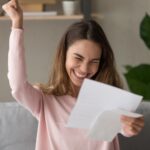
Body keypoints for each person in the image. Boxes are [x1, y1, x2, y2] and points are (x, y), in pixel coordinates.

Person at [2, 0, 144, 150]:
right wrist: (17, 24)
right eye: (78, 58)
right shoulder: (44, 100)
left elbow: (125, 127)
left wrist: (131, 126)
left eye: (94, 61)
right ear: (64, 55)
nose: (84, 69)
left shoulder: (109, 99)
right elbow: (18, 86)